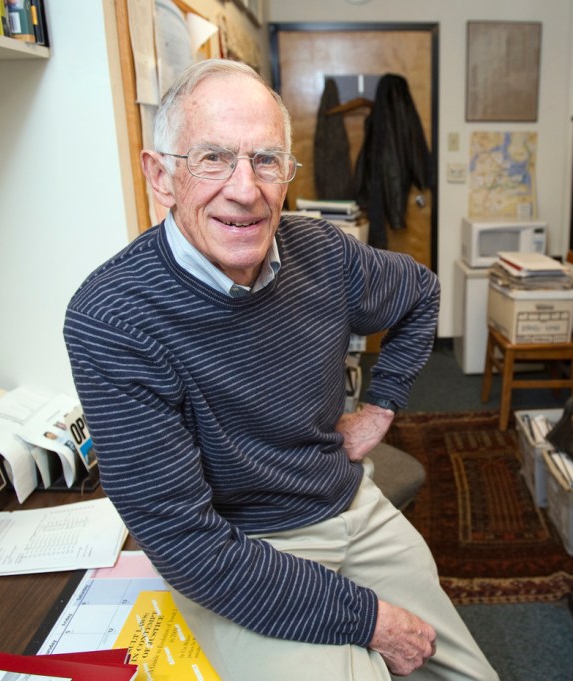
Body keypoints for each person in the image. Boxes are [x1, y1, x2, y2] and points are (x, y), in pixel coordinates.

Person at [63, 59, 498, 681]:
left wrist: (379, 408)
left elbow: (420, 293)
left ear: (287, 174)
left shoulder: (321, 251)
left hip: (349, 503)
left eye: (266, 160)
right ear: (161, 176)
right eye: (212, 158)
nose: (245, 189)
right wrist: (373, 621)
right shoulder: (113, 319)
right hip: (241, 553)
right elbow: (190, 548)